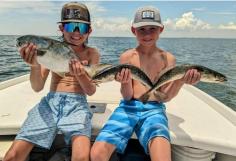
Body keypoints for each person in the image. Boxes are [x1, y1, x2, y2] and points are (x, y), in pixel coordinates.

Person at [90, 6, 200, 161]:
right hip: (128, 107)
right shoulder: (127, 57)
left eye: (152, 28)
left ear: (161, 29)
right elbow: (127, 96)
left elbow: (164, 97)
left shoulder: (168, 59)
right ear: (133, 31)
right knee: (96, 154)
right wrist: (126, 82)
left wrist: (181, 80)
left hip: (154, 109)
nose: (147, 34)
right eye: (142, 29)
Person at [3, 2, 100, 161]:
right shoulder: (50, 49)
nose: (76, 32)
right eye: (70, 27)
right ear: (62, 29)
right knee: (12, 156)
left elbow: (90, 90)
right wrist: (34, 65)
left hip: (77, 106)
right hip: (50, 103)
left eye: (81, 28)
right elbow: (37, 86)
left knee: (82, 157)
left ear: (89, 31)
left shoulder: (92, 53)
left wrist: (80, 75)